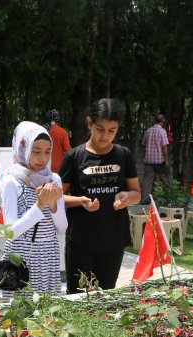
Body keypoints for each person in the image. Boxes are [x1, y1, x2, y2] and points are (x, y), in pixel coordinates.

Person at [59, 98, 141, 293]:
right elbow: (56, 198)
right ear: (89, 123)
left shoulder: (123, 155)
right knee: (77, 297)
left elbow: (137, 193)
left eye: (112, 130)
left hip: (113, 240)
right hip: (81, 242)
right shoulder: (74, 157)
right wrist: (80, 201)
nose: (105, 136)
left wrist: (126, 197)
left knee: (106, 296)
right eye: (100, 129)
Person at [0, 121, 67, 297]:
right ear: (24, 148)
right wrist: (39, 206)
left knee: (48, 314)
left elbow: (62, 228)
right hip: (21, 258)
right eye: (36, 151)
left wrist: (52, 205)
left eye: (47, 152)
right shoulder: (11, 181)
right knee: (21, 315)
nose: (42, 158)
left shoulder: (54, 180)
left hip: (47, 256)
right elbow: (11, 231)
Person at [140, 113, 170, 204]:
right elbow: (164, 147)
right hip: (159, 160)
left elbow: (144, 144)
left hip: (148, 160)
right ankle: (166, 199)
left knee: (147, 180)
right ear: (163, 121)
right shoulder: (162, 131)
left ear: (155, 120)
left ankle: (145, 199)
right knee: (164, 179)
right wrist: (166, 160)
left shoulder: (148, 131)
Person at [43, 109, 71, 173]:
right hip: (58, 168)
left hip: (42, 166)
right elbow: (68, 151)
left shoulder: (41, 130)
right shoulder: (62, 132)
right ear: (58, 118)